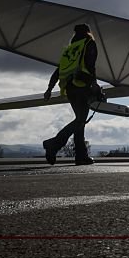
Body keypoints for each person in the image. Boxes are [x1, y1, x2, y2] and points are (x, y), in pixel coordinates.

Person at [43, 24, 99, 166]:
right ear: (88, 32)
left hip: (70, 89)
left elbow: (58, 70)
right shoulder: (88, 43)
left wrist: (49, 88)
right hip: (82, 86)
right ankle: (53, 144)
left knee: (80, 122)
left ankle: (81, 156)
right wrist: (94, 84)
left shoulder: (69, 49)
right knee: (80, 121)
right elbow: (90, 65)